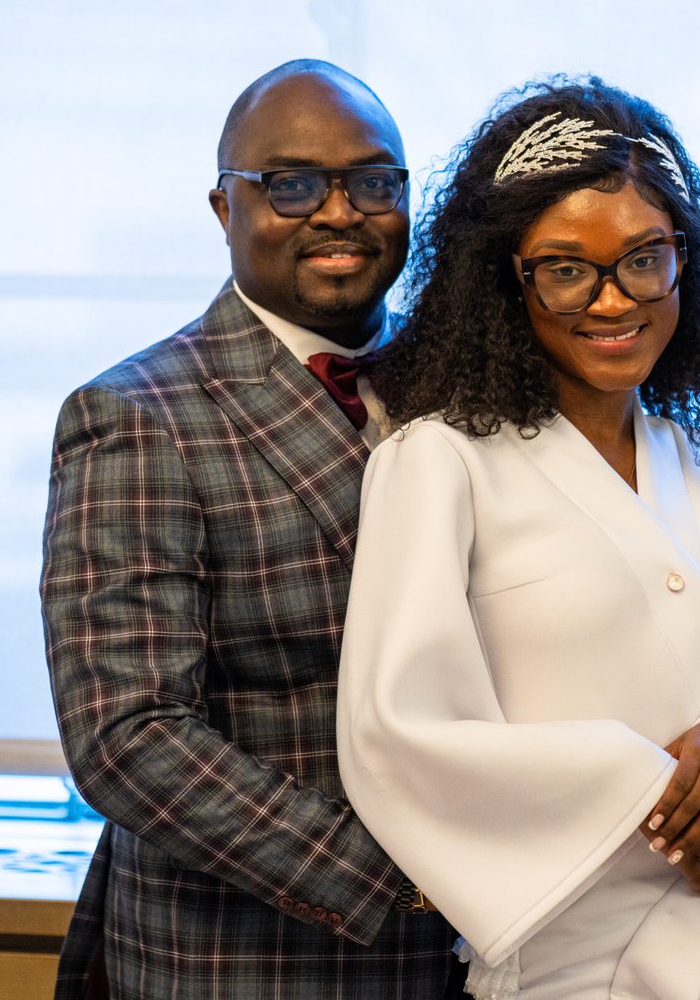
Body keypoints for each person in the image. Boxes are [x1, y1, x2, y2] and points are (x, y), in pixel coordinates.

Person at [336, 77, 700, 1000]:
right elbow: (399, 727)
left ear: (682, 261)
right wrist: (652, 791)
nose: (614, 299)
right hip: (570, 962)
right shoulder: (437, 463)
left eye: (643, 258)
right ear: (506, 279)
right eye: (565, 268)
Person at [41, 60, 461, 999]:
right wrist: (407, 878)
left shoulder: (468, 389)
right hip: (255, 956)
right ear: (223, 207)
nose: (340, 212)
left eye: (374, 181)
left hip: (484, 953)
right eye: (292, 185)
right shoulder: (136, 415)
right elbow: (128, 735)